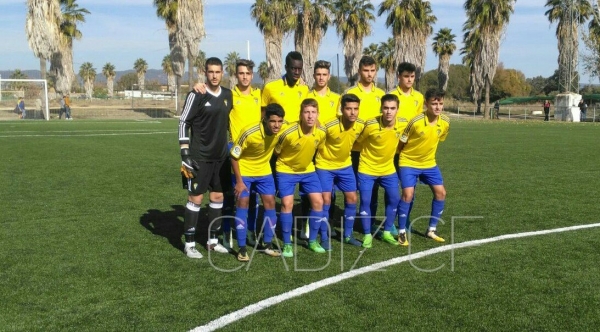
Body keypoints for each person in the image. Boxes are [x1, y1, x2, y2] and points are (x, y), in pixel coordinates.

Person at [179, 57, 233, 259]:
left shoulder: (228, 95)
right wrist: (184, 152)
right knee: (196, 198)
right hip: (199, 157)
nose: (214, 75)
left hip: (221, 158)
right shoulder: (197, 94)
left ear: (222, 73)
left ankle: (213, 241)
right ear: (205, 72)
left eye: (218, 72)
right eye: (211, 72)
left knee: (218, 197)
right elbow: (183, 122)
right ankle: (190, 244)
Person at [230, 104, 285, 261]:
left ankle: (267, 244)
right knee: (243, 203)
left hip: (264, 172)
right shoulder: (249, 132)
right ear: (265, 119)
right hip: (244, 171)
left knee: (270, 204)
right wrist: (239, 182)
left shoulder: (281, 130)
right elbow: (234, 156)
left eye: (280, 121)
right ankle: (241, 249)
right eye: (273, 121)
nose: (276, 125)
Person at [396, 88, 450, 245]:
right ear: (426, 104)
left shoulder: (445, 122)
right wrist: (404, 158)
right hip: (408, 162)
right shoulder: (415, 121)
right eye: (434, 103)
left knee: (441, 193)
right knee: (408, 194)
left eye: (440, 103)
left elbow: (440, 138)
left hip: (429, 163)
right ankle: (401, 232)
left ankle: (431, 230)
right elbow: (401, 142)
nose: (438, 107)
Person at [275, 98, 326, 257]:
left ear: (318, 114)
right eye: (306, 112)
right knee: (287, 203)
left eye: (313, 112)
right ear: (301, 114)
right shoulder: (287, 133)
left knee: (319, 202)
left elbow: (319, 149)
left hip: (308, 170)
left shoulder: (321, 133)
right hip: (286, 170)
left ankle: (312, 241)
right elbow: (276, 151)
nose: (310, 116)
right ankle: (287, 244)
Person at [315, 93, 365, 248]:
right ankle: (324, 237)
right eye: (348, 109)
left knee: (352, 198)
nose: (352, 112)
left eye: (355, 109)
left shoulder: (361, 125)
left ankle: (348, 235)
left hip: (345, 165)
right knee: (326, 200)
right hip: (325, 166)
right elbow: (316, 141)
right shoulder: (329, 126)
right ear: (342, 109)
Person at [355, 94, 404, 248]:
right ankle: (368, 234)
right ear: (381, 108)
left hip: (388, 168)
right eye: (386, 108)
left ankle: (387, 232)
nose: (389, 112)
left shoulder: (403, 124)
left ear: (397, 109)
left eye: (392, 108)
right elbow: (357, 142)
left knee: (394, 199)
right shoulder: (370, 125)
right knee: (365, 201)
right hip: (367, 168)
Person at [344, 56, 386, 225]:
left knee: (373, 188)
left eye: (372, 71)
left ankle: (369, 219)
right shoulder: (350, 93)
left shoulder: (381, 94)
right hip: (354, 149)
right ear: (359, 71)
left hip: (373, 150)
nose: (369, 74)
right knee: (352, 187)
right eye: (366, 71)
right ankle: (351, 219)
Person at [261, 51, 309, 122]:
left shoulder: (304, 89)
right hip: (277, 132)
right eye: (293, 68)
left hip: (297, 132)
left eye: (299, 69)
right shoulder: (270, 87)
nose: (297, 72)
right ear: (286, 68)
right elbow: (262, 114)